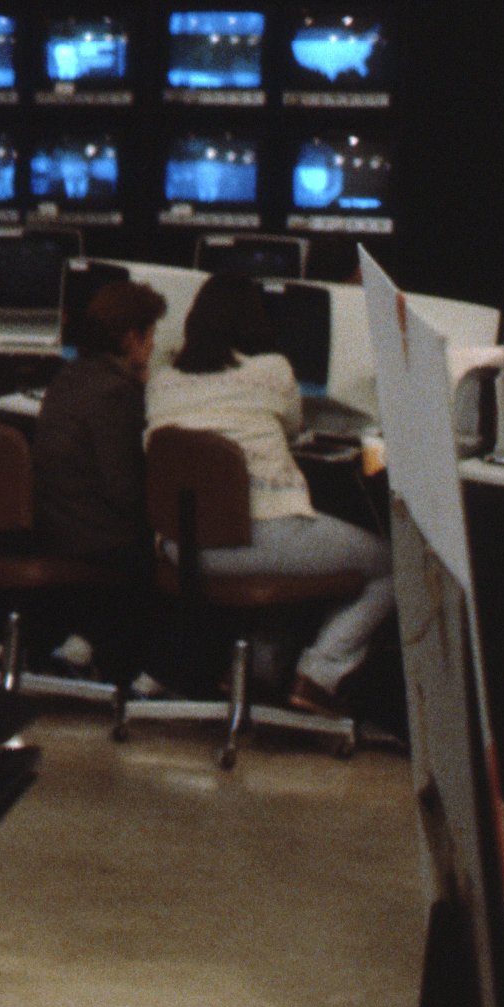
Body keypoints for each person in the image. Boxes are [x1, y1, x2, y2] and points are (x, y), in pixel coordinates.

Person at [143, 273, 394, 712]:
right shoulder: (272, 371)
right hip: (255, 540)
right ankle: (319, 675)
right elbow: (294, 426)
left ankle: (259, 672)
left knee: (300, 555)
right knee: (388, 561)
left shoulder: (161, 380)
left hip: (182, 550)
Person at [30, 275, 168, 681]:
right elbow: (124, 491)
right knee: (181, 544)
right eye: (150, 335)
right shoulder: (115, 393)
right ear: (131, 337)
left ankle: (83, 643)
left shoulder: (70, 377)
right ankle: (159, 673)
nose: (155, 345)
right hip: (96, 539)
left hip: (52, 526)